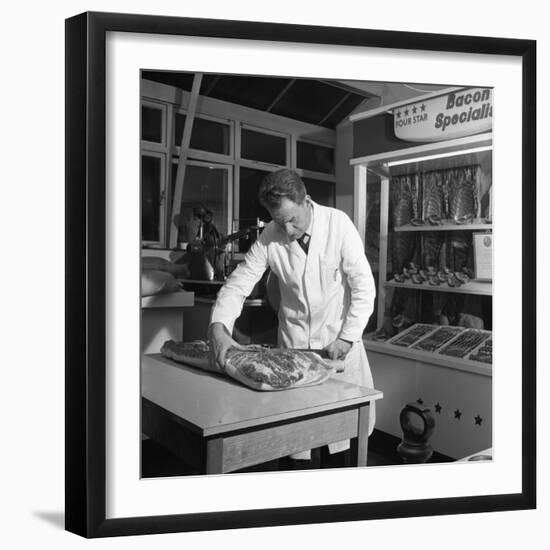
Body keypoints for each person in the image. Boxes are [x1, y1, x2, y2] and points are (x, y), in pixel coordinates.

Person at [208, 168, 376, 468]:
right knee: (298, 450)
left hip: (339, 350)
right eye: (278, 221)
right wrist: (219, 327)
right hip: (295, 353)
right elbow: (240, 283)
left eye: (292, 220)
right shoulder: (269, 236)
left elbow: (364, 287)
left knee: (342, 452)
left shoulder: (338, 225)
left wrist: (348, 337)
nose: (286, 230)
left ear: (306, 201)